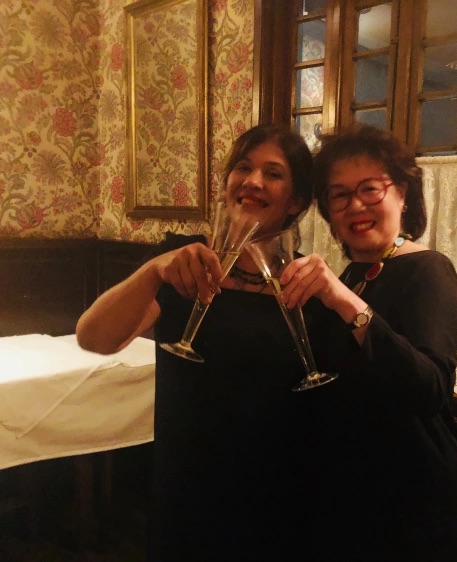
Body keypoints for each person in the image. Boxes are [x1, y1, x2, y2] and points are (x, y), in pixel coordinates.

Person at [76, 124, 317, 561]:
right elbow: (93, 338)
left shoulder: (304, 284)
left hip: (277, 496)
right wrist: (153, 270)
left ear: (296, 201)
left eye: (273, 173)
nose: (253, 181)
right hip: (188, 491)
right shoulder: (182, 264)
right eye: (243, 167)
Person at [277, 124, 457, 561]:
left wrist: (346, 303)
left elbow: (430, 388)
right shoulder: (350, 276)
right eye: (339, 195)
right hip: (350, 491)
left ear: (402, 193)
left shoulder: (428, 269)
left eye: (369, 189)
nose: (356, 205)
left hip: (409, 497)